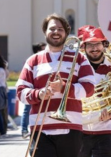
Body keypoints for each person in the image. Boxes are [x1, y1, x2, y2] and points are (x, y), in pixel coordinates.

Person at [15, 13, 95, 157]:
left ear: (66, 32)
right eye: (52, 29)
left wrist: (64, 87)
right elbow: (20, 92)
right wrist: (38, 94)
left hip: (71, 127)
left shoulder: (79, 58)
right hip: (40, 129)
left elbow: (89, 89)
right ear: (45, 32)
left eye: (60, 29)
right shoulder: (33, 60)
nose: (56, 32)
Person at [78, 27, 111, 157]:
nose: (94, 48)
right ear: (84, 46)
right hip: (80, 129)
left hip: (105, 129)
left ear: (104, 44)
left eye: (97, 43)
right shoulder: (76, 67)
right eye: (90, 45)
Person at [21, 42, 47, 139]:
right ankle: (24, 130)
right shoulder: (32, 60)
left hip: (41, 91)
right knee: (26, 110)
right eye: (43, 49)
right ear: (37, 50)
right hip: (31, 91)